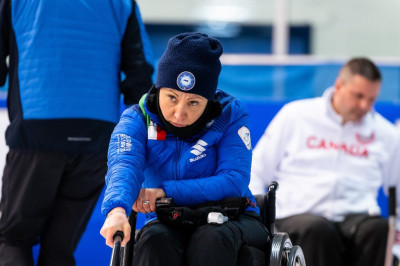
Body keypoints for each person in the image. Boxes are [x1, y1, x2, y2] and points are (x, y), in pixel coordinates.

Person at [0, 0, 153, 265]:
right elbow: (141, 70)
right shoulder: (122, 2)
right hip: (97, 136)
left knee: (13, 238)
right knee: (60, 247)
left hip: (38, 131)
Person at [100, 32, 270, 266]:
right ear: (158, 88)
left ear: (208, 101)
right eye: (171, 97)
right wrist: (117, 210)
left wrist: (165, 191)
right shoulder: (136, 119)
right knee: (153, 241)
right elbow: (124, 165)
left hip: (234, 217)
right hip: (170, 220)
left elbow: (234, 180)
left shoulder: (230, 114)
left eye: (193, 102)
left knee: (210, 239)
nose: (180, 113)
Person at [250, 57, 400, 266]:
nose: (365, 106)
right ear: (339, 85)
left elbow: (397, 190)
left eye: (371, 99)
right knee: (317, 230)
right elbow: (257, 170)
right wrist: (258, 220)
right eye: (358, 96)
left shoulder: (386, 134)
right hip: (299, 216)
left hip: (356, 216)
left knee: (380, 230)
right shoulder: (296, 115)